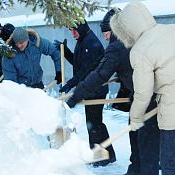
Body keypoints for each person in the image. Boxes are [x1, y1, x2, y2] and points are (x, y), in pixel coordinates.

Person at [110, 1, 175, 175]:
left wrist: (136, 117)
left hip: (174, 119)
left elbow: (143, 93)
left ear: (127, 29)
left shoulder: (139, 51)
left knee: (169, 164)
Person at [64, 9, 159, 174]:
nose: (105, 36)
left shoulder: (116, 47)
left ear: (115, 30)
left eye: (106, 32)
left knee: (144, 143)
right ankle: (136, 169)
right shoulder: (133, 42)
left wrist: (76, 94)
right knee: (140, 140)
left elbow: (98, 73)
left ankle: (135, 166)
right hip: (144, 98)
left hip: (146, 100)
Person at [54, 19, 116, 167]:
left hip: (96, 89)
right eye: (70, 30)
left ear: (82, 28)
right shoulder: (83, 40)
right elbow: (79, 64)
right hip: (91, 88)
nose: (73, 33)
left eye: (75, 29)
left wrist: (71, 83)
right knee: (95, 123)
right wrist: (66, 51)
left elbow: (85, 71)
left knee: (94, 124)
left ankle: (101, 156)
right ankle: (106, 154)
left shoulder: (89, 43)